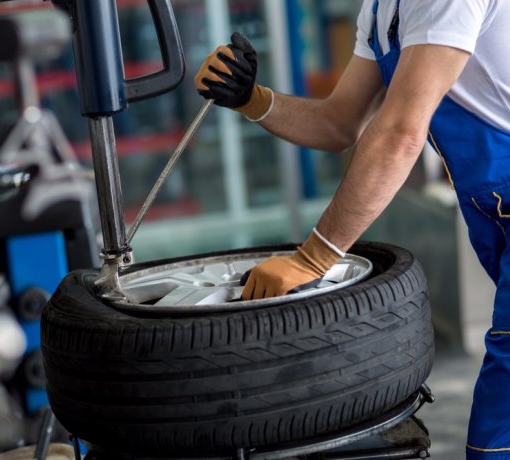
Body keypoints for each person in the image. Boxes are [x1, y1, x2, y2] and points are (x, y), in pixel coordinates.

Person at [194, 0, 510, 458]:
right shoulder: (380, 11)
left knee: (497, 435)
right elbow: (339, 123)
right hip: (495, 213)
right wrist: (251, 99)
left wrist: (314, 257)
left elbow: (402, 131)